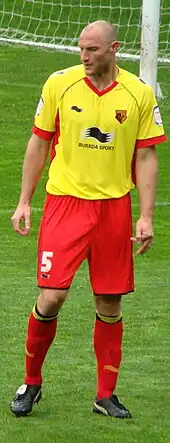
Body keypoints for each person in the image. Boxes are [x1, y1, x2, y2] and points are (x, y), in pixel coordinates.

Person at [10, 20, 166, 419]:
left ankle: (105, 395)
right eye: (81, 48)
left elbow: (147, 156)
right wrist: (24, 200)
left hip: (114, 208)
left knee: (109, 302)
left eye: (92, 50)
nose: (83, 56)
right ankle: (31, 382)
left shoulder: (138, 93)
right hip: (65, 204)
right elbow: (39, 141)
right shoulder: (60, 84)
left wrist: (145, 216)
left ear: (114, 49)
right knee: (52, 296)